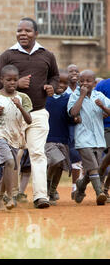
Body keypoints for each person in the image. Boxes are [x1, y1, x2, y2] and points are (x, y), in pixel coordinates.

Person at [0, 17, 59, 209]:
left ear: (36, 34)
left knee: (38, 154)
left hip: (38, 113)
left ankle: (40, 197)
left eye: (27, 31)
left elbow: (54, 75)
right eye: (19, 30)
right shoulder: (8, 55)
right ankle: (9, 196)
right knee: (13, 157)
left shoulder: (47, 55)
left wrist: (51, 86)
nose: (23, 34)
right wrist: (17, 83)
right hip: (13, 115)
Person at [0, 65, 33, 211]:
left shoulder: (23, 97)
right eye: (8, 80)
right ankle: (9, 195)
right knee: (9, 161)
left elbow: (29, 119)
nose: (12, 82)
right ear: (2, 80)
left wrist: (20, 107)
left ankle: (0, 195)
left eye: (15, 80)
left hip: (14, 136)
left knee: (10, 166)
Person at [68, 70, 110, 205]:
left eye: (88, 81)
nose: (85, 83)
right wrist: (81, 96)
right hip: (83, 138)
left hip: (99, 138)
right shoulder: (75, 96)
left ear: (94, 83)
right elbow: (73, 112)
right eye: (82, 81)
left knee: (94, 167)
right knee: (93, 167)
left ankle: (81, 186)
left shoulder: (99, 96)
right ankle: (100, 193)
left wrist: (102, 106)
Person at [44, 71, 78, 205]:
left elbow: (70, 119)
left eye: (65, 83)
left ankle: (52, 191)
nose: (61, 85)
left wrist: (75, 119)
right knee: (57, 161)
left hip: (63, 138)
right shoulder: (44, 98)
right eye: (59, 82)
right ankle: (46, 186)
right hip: (47, 137)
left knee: (60, 166)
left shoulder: (69, 98)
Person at [66, 64, 82, 200]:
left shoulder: (82, 90)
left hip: (78, 126)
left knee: (77, 155)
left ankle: (75, 188)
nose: (74, 73)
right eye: (71, 71)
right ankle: (51, 189)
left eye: (77, 71)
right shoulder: (62, 90)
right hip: (63, 127)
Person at [95, 77, 110, 202]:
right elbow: (92, 100)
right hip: (106, 127)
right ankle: (99, 176)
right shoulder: (103, 85)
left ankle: (105, 189)